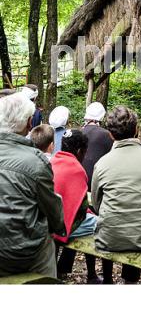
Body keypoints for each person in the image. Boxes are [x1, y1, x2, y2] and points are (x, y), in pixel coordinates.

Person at [91, 106, 141, 284]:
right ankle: (131, 280)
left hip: (110, 237)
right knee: (137, 223)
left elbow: (96, 204)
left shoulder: (102, 164)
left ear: (110, 135)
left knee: (112, 222)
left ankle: (108, 280)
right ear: (137, 130)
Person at [0, 93, 65, 278]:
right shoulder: (35, 161)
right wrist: (58, 228)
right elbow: (53, 212)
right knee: (48, 244)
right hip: (19, 255)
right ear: (30, 123)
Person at [51, 129, 101, 283]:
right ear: (80, 151)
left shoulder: (52, 161)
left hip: (49, 220)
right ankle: (92, 275)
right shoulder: (77, 169)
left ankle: (59, 269)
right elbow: (80, 207)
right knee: (101, 223)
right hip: (63, 225)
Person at [82, 102, 113, 190]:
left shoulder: (79, 132)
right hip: (96, 181)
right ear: (101, 117)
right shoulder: (106, 134)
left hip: (79, 178)